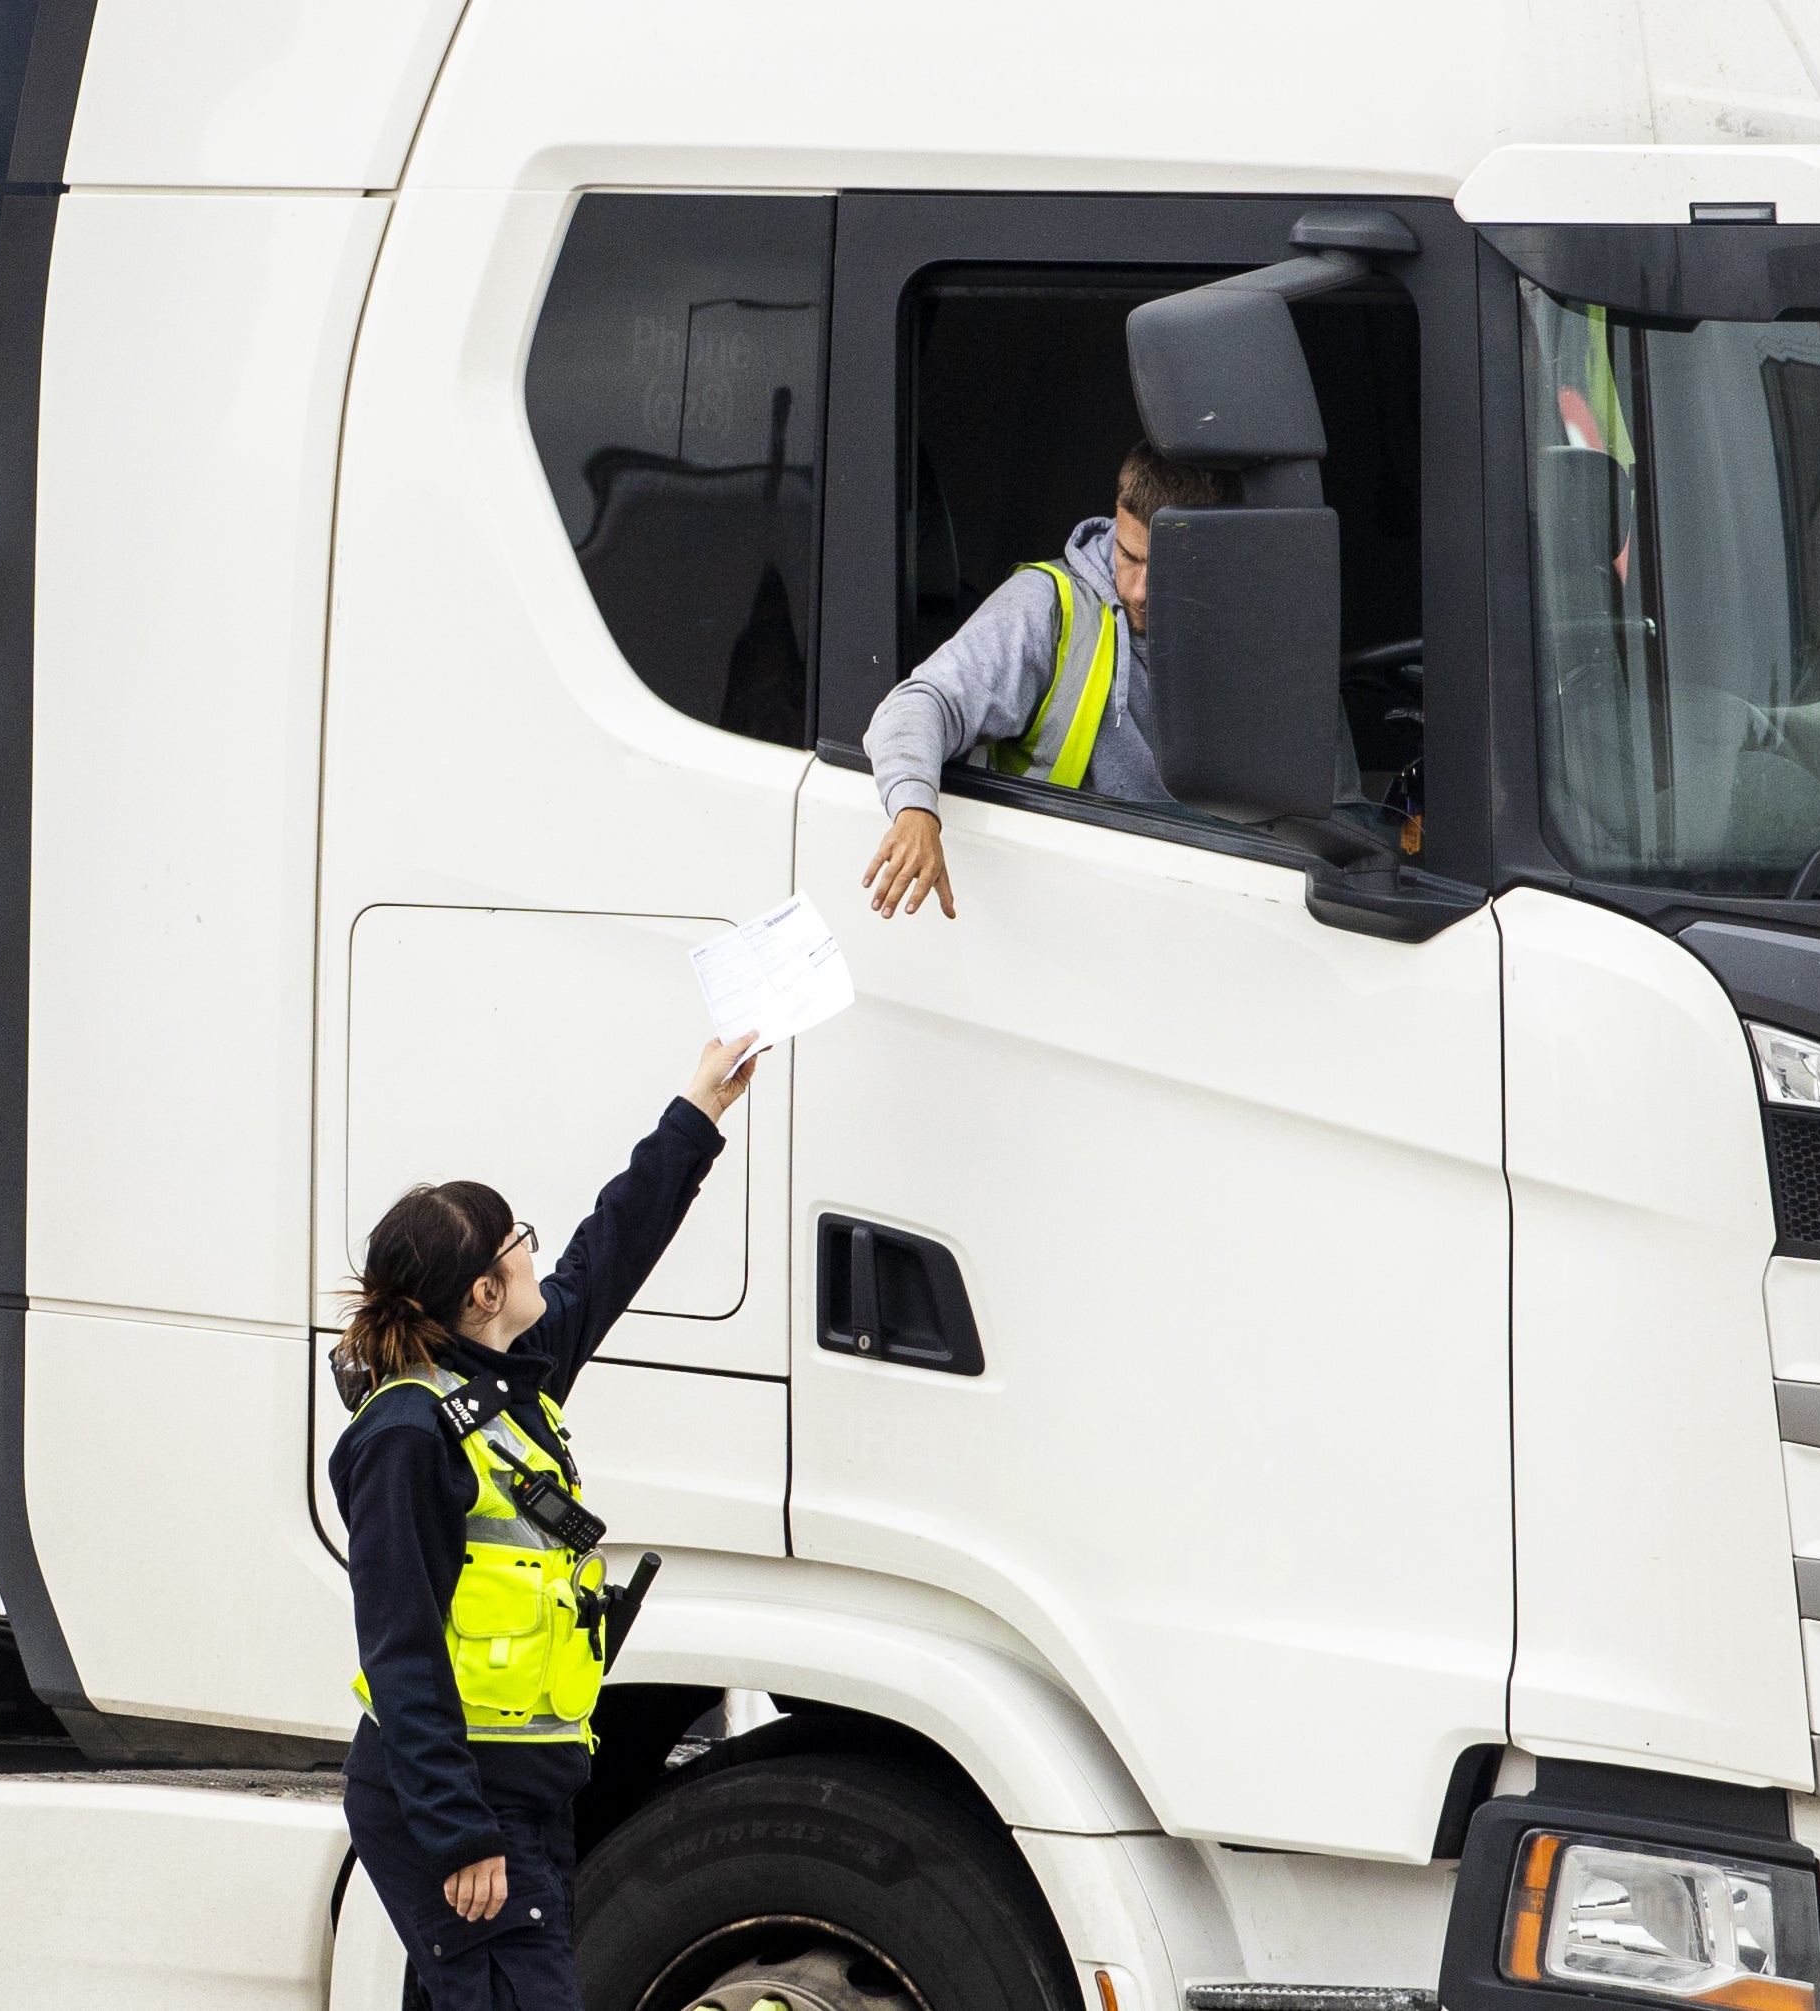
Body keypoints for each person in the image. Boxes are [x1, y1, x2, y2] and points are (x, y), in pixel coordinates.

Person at [329, 1030, 758, 2011]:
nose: (535, 1249)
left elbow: (609, 1250)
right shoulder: (408, 1432)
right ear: (483, 1293)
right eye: (516, 1239)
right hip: (458, 1799)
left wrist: (696, 1112)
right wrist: (456, 1830)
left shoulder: (508, 1383)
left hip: (523, 1788)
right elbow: (400, 1651)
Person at [860, 440, 1239, 920]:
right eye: (1129, 557)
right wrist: (916, 810)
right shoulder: (1051, 608)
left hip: (1206, 909)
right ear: (1115, 522)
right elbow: (920, 701)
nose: (1139, 591)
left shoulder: (1251, 638)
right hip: (1061, 909)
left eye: (1165, 570)